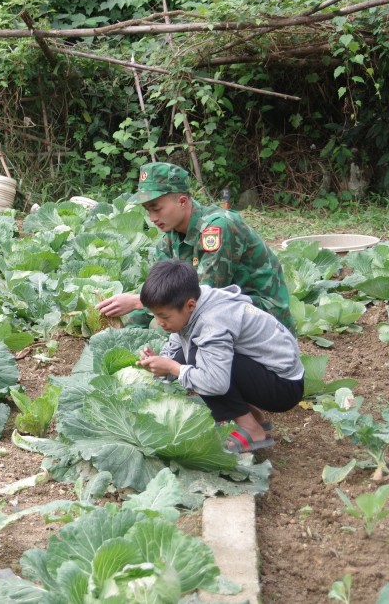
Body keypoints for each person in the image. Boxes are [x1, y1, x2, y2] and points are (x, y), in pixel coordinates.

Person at [96, 162, 296, 334]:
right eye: (148, 210)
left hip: (263, 315)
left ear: (182, 201)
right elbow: (160, 290)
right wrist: (124, 330)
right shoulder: (169, 239)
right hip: (223, 309)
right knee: (144, 321)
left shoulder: (218, 228)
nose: (153, 218)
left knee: (165, 325)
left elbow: (203, 297)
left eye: (157, 208)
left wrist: (139, 302)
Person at [136, 259, 304, 453]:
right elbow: (177, 343)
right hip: (265, 370)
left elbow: (215, 382)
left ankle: (252, 430)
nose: (159, 322)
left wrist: (173, 368)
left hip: (284, 387)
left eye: (164, 317)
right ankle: (254, 417)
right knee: (191, 355)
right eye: (155, 316)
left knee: (200, 362)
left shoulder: (213, 321)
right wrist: (160, 361)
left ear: (190, 305)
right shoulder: (195, 301)